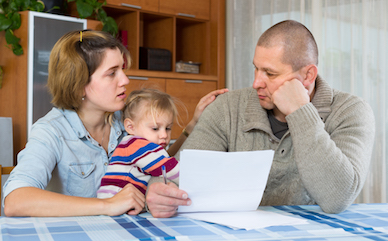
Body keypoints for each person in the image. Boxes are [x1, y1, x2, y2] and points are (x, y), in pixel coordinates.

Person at [145, 20, 375, 217]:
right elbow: (179, 177)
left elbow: (338, 198)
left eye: (270, 73)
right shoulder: (227, 107)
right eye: (256, 69)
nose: (256, 83)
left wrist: (300, 111)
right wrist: (157, 191)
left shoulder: (351, 111)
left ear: (308, 75)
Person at [3, 30, 228, 217]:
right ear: (80, 84)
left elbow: (158, 156)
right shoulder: (51, 131)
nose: (125, 80)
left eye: (123, 69)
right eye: (112, 73)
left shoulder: (125, 120)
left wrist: (191, 127)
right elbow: (15, 200)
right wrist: (108, 205)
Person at [97, 88, 180, 200]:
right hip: (112, 202)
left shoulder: (141, 145)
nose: (164, 135)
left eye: (168, 128)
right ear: (130, 127)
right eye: (155, 128)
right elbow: (168, 168)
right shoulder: (136, 145)